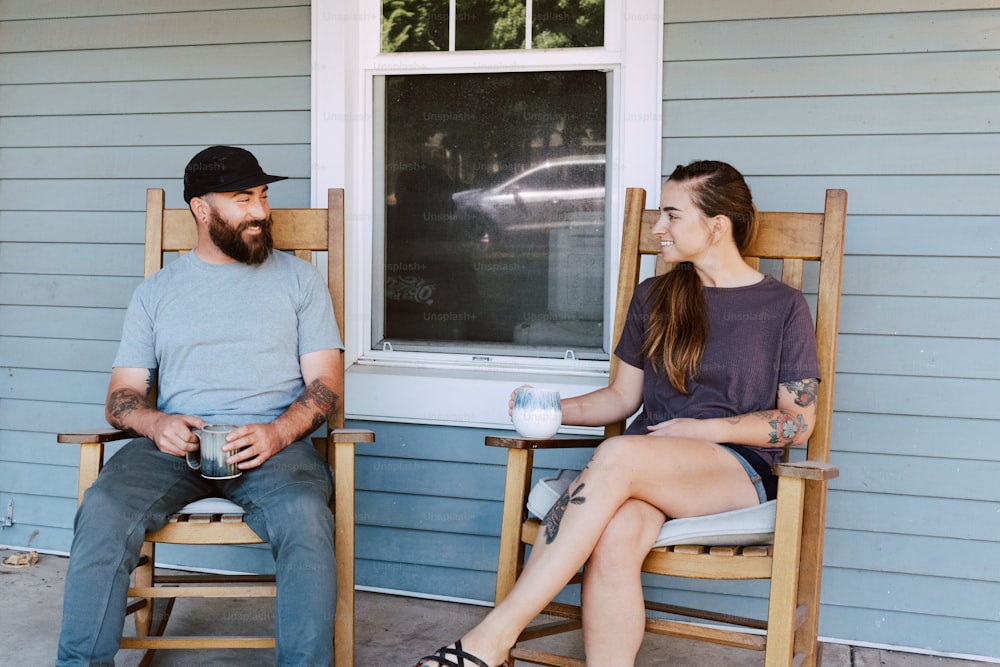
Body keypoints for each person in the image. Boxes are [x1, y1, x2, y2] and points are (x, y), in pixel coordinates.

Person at [414, 160, 820, 667]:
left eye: (672, 215)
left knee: (620, 452)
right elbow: (622, 399)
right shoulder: (655, 296)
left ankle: (492, 638)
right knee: (617, 533)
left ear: (718, 225)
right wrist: (550, 408)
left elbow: (798, 421)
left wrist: (698, 429)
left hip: (735, 469)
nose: (658, 228)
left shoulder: (782, 306)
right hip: (642, 465)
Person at [57, 146, 343, 667]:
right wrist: (153, 421)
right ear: (201, 209)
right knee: (101, 509)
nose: (261, 211)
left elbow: (325, 385)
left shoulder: (300, 281)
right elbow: (120, 398)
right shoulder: (156, 293)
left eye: (263, 196)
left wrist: (278, 433)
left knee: (305, 517)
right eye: (243, 199)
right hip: (175, 447)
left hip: (274, 447)